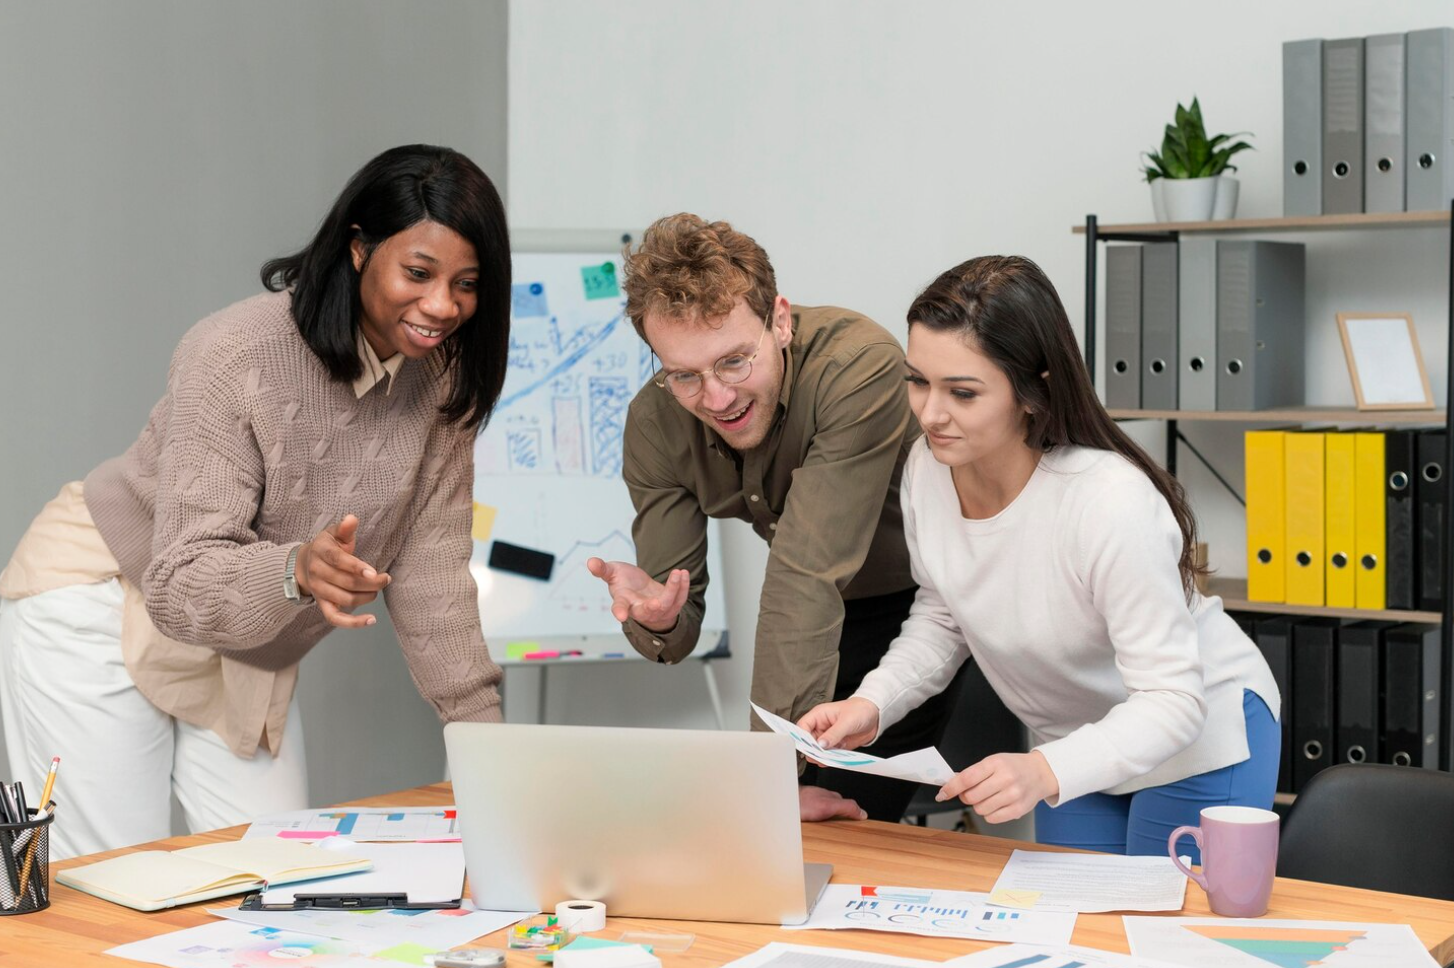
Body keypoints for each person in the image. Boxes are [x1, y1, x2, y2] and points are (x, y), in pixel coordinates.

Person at [0, 144, 511, 858]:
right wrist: (294, 571)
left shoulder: (443, 382)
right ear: (360, 250)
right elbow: (181, 582)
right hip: (105, 600)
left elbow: (432, 581)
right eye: (418, 273)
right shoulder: (235, 350)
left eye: (467, 283)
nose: (442, 306)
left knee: (280, 883)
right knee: (109, 885)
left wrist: (497, 761)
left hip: (248, 634)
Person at [799, 255, 1280, 862]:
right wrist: (873, 703)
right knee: (1075, 932)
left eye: (963, 392)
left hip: (1199, 737)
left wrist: (1044, 771)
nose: (929, 414)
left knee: (1162, 936)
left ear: (1034, 390)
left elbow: (1173, 700)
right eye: (917, 380)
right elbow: (945, 612)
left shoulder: (1108, 501)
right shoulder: (928, 466)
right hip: (1075, 747)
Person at [586, 213, 964, 823]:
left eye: (735, 361)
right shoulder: (655, 422)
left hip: (922, 611)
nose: (716, 398)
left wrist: (761, 788)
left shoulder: (856, 367)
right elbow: (677, 622)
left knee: (837, 829)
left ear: (780, 321)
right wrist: (661, 617)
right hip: (817, 616)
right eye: (684, 374)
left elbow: (804, 576)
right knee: (785, 832)